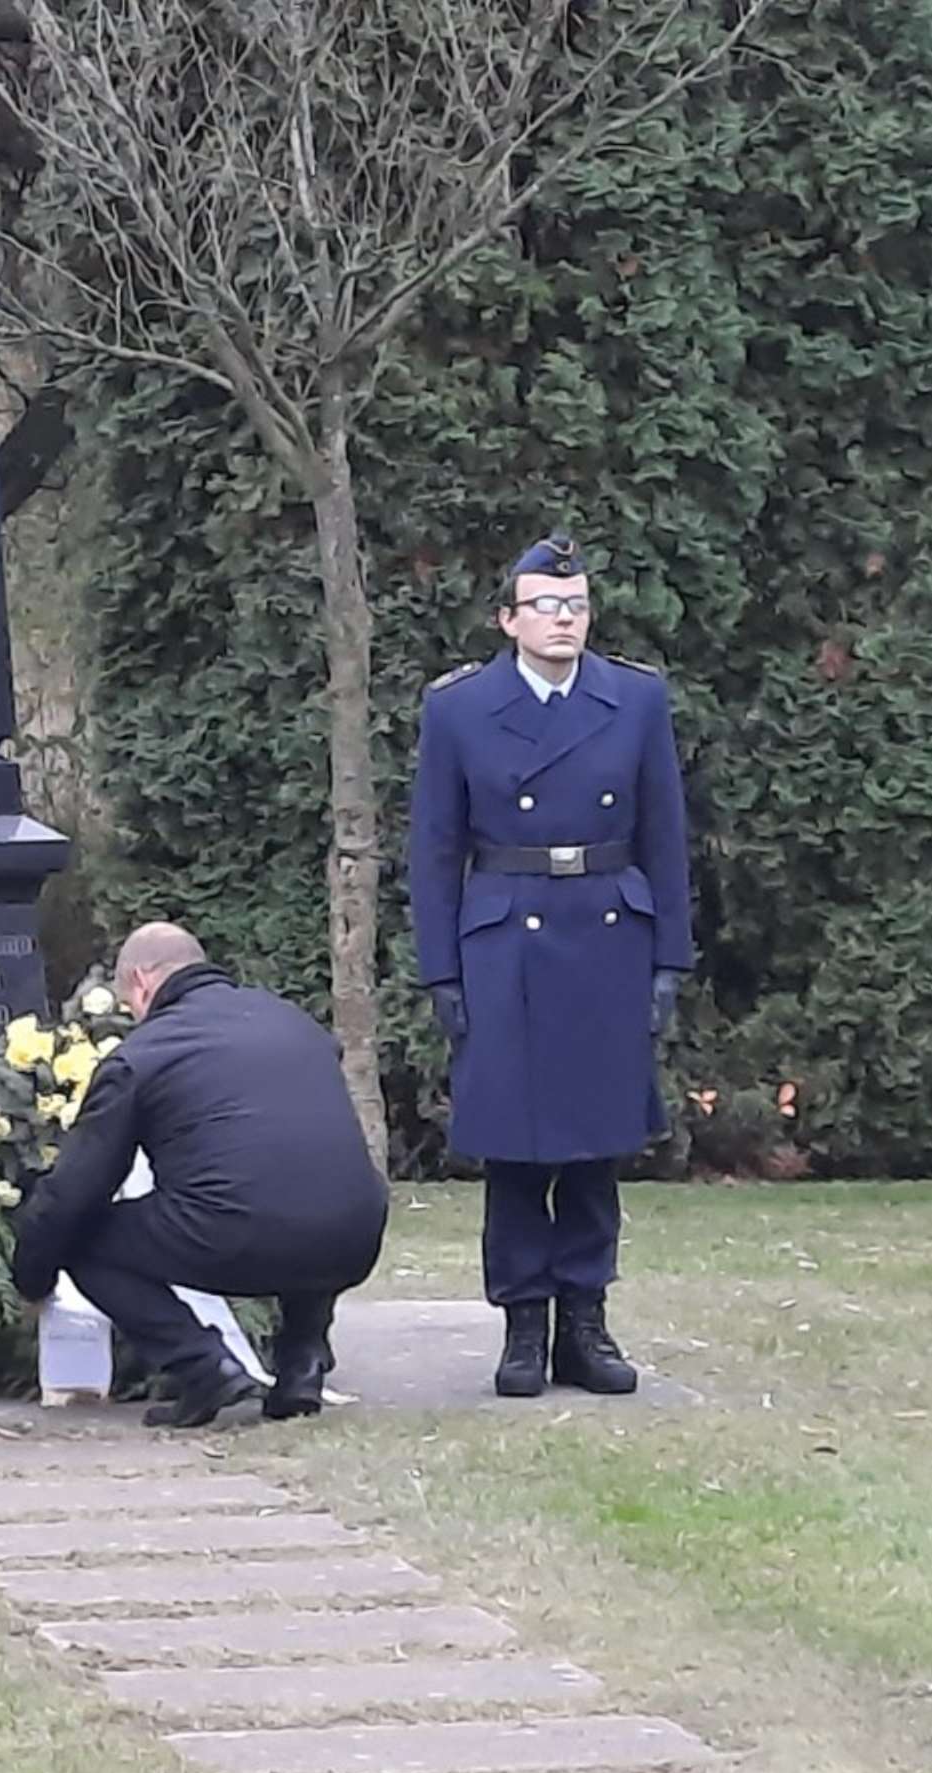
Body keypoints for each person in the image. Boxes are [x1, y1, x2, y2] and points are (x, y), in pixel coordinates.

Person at [408, 532, 694, 1399]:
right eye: (545, 606)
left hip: (609, 931)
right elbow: (434, 849)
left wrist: (669, 956)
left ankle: (586, 1320)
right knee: (517, 1150)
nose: (563, 620)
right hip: (506, 941)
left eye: (575, 606)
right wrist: (442, 974)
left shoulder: (635, 700)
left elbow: (665, 835)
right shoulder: (459, 709)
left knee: (598, 1145)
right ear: (509, 619)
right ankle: (523, 1324)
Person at [9, 924, 390, 1427]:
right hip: (356, 1231)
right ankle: (302, 1365)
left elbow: (76, 1193)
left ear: (142, 982)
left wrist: (33, 1276)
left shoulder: (142, 1056)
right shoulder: (294, 1022)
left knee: (83, 1241)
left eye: (129, 1004)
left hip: (240, 1232)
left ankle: (204, 1367)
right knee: (301, 1189)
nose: (131, 1015)